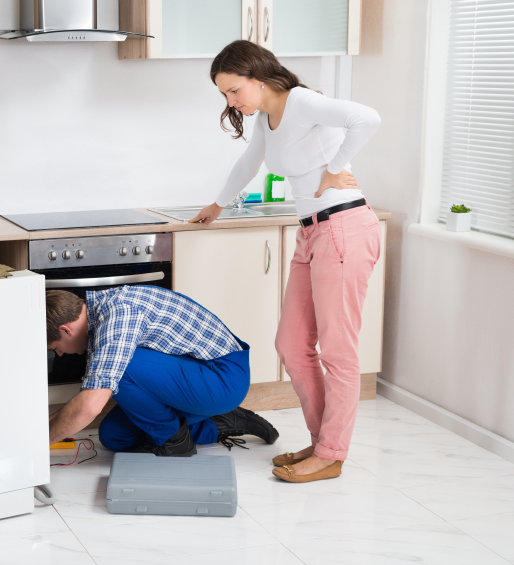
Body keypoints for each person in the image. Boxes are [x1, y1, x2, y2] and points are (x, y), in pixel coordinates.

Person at [190, 40, 382, 483]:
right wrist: (217, 205)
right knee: (292, 346)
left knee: (338, 352)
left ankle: (332, 454)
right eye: (224, 94)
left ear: (258, 78)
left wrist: (337, 166)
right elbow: (248, 162)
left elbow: (366, 118)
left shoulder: (301, 101)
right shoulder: (268, 119)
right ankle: (321, 444)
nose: (231, 101)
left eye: (234, 90)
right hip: (312, 232)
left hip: (344, 228)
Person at [45, 286, 279, 456]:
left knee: (120, 367)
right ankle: (215, 422)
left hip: (222, 377)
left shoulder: (119, 317)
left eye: (55, 348)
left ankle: (175, 443)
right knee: (114, 437)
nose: (61, 354)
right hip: (198, 375)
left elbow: (88, 405)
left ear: (65, 330)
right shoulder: (100, 312)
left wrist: (39, 445)